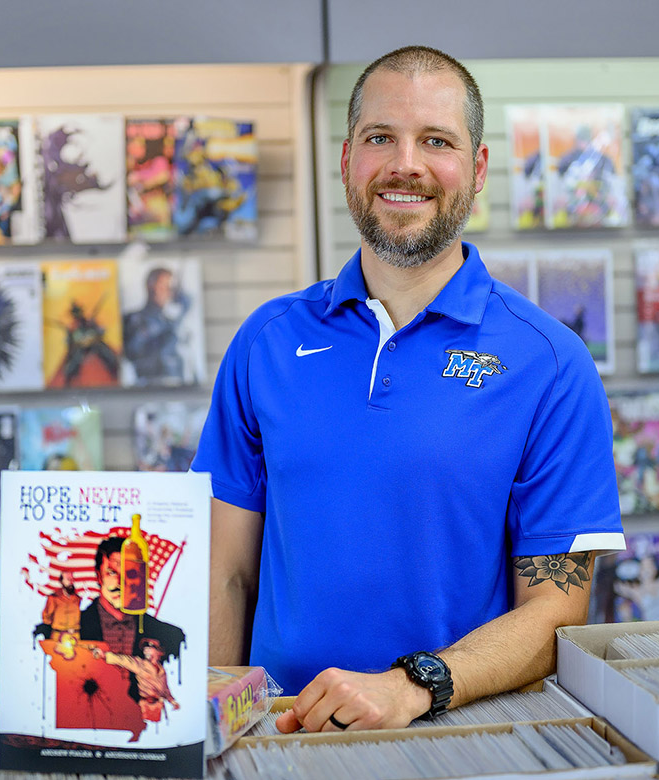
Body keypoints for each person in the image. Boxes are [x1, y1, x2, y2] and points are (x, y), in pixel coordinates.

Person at [193, 45, 624, 734]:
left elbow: (555, 612)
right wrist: (208, 740)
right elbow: (225, 573)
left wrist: (412, 686)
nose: (406, 164)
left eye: (437, 141)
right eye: (379, 138)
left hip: (458, 736)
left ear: (477, 169)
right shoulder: (264, 344)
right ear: (346, 161)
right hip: (278, 735)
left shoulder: (550, 364)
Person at [123, 267, 190, 384]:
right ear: (150, 286)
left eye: (170, 288)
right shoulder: (134, 318)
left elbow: (187, 301)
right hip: (146, 384)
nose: (167, 292)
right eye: (163, 286)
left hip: (175, 383)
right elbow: (131, 351)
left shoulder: (171, 317)